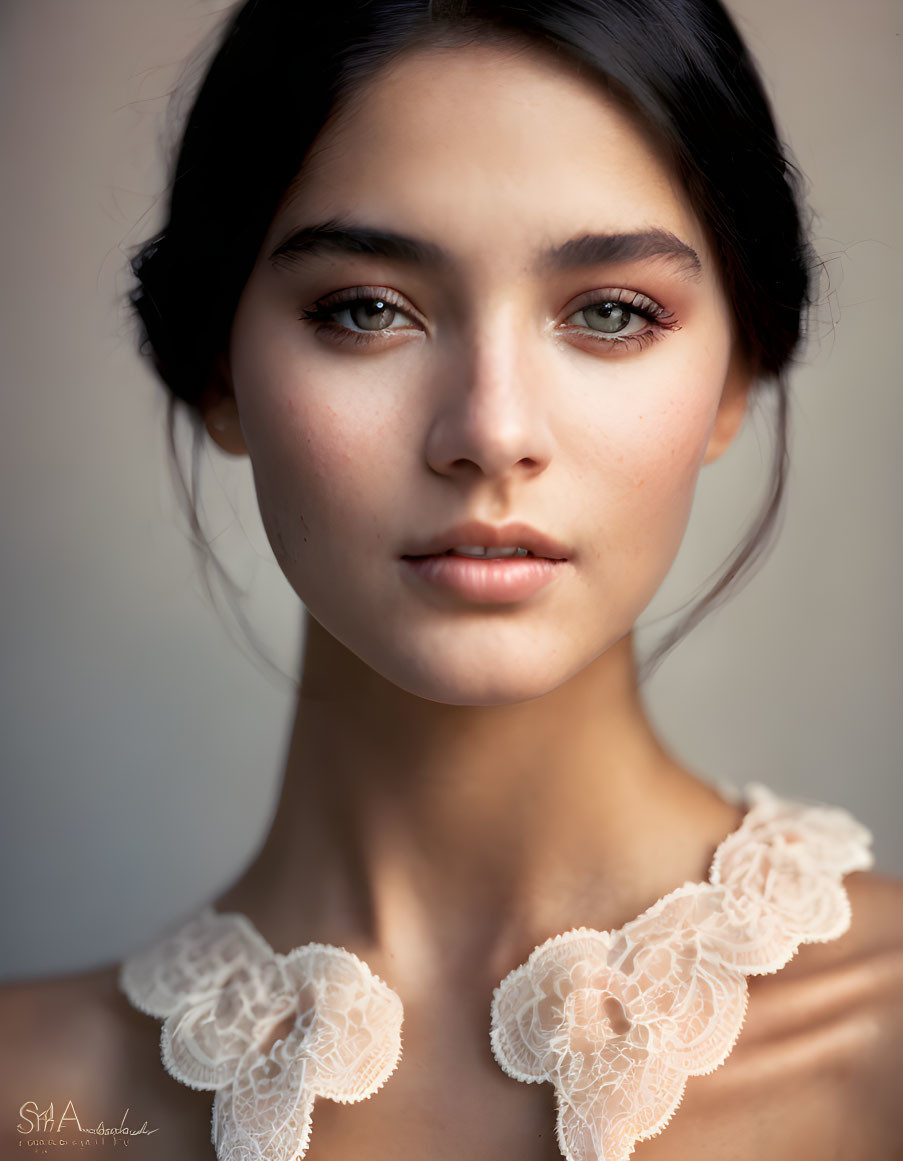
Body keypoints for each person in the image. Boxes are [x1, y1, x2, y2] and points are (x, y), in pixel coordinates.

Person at [2, 1, 901, 1158]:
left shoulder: (884, 1054)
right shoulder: (36, 1105)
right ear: (218, 370)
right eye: (368, 309)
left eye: (612, 313)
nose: (491, 432)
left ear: (736, 374)